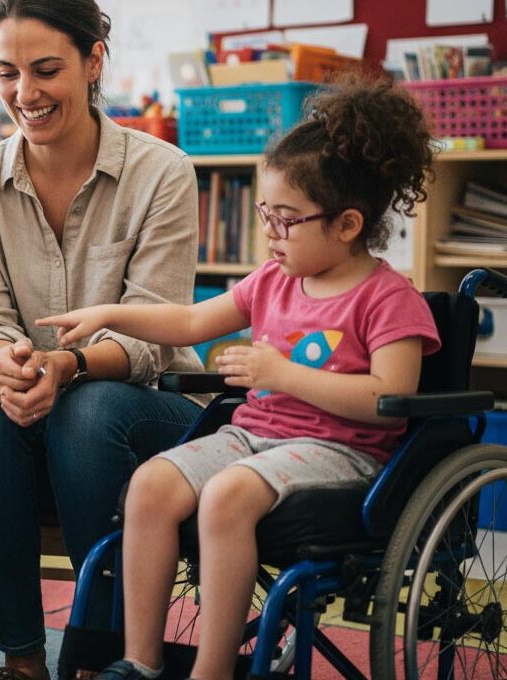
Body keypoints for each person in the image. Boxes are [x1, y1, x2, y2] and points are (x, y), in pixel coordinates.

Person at [37, 75, 441, 680]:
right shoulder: (273, 280)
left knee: (227, 495)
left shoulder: (388, 299)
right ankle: (140, 662)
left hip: (341, 451)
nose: (269, 232)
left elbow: (389, 398)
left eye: (287, 220)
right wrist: (109, 313)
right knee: (149, 486)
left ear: (347, 224)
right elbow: (191, 320)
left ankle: (213, 670)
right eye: (265, 214)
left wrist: (282, 373)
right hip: (254, 438)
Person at [0, 1, 205, 677]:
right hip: (32, 418)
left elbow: (152, 334)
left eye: (45, 70)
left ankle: (101, 660)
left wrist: (70, 365)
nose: (24, 93)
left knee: (88, 409)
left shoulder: (162, 172)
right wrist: (3, 363)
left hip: (148, 413)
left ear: (93, 62)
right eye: (7, 72)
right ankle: (24, 660)